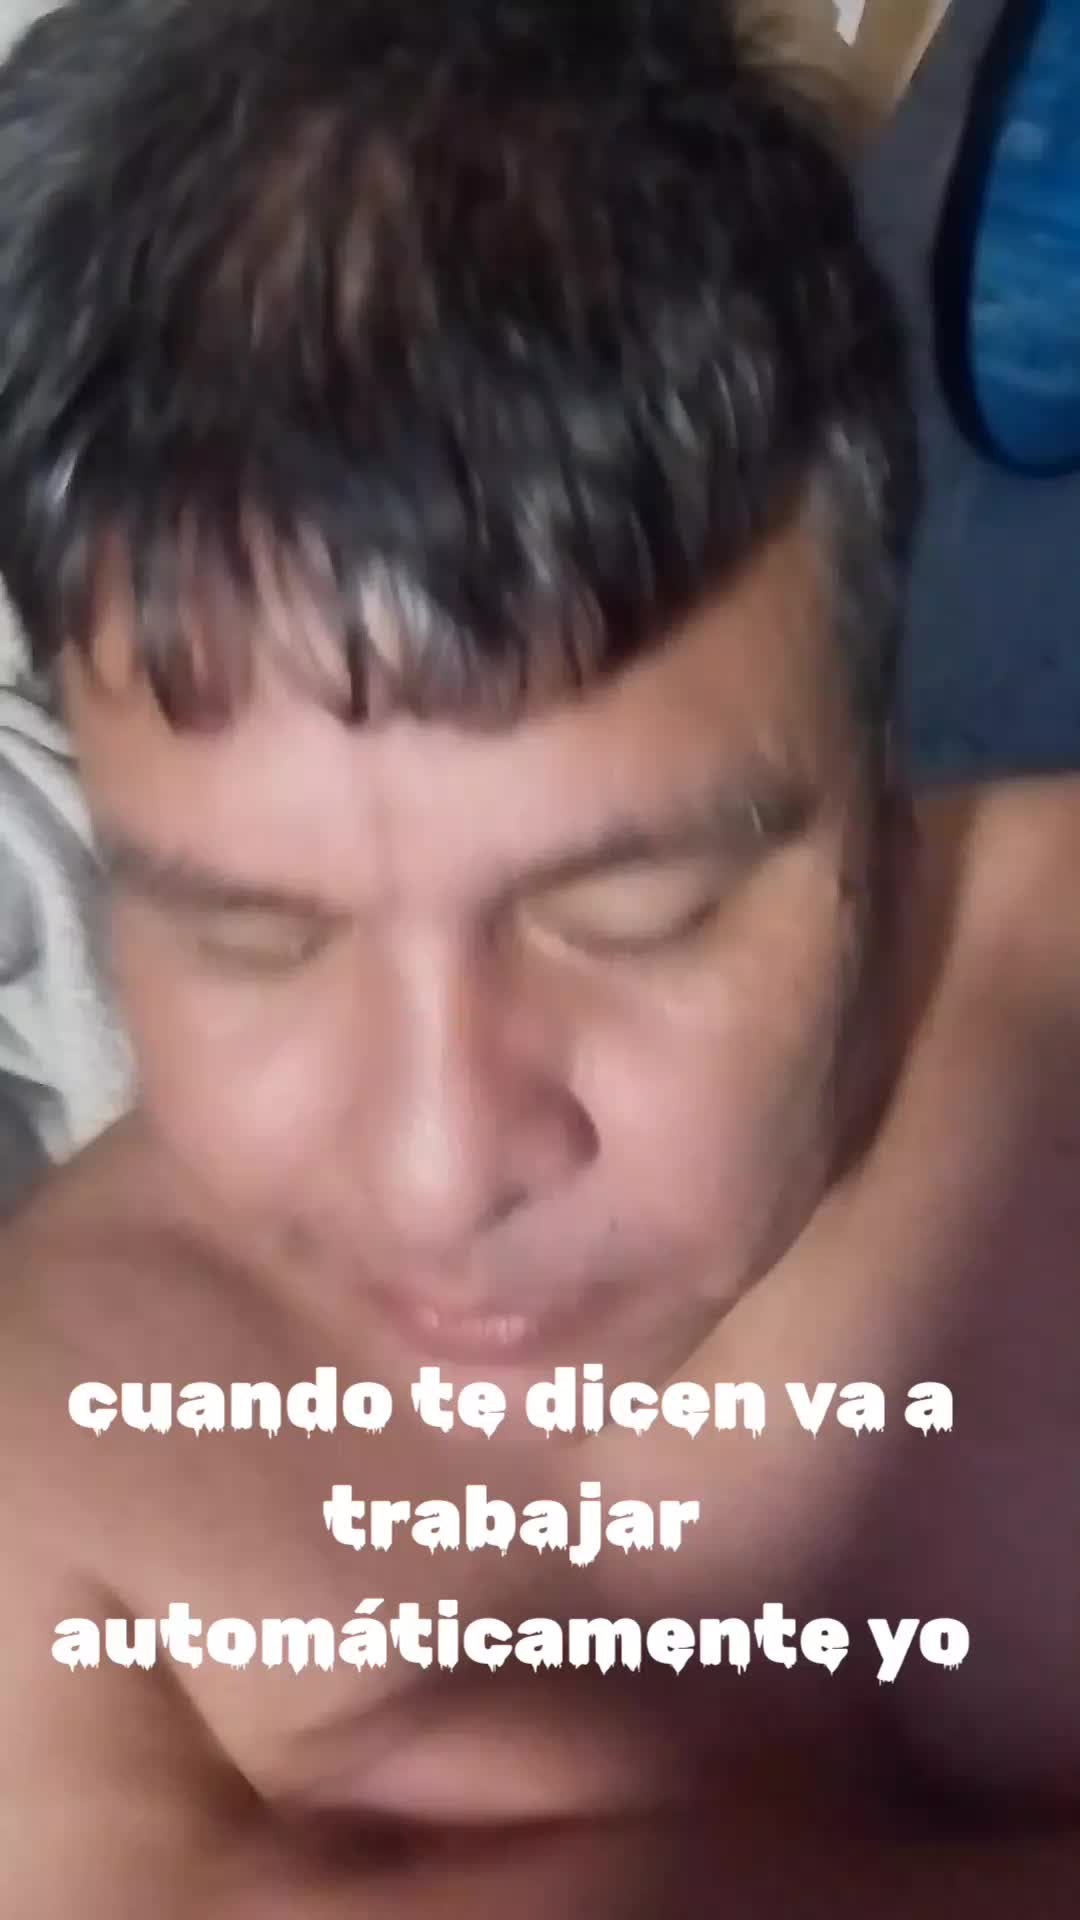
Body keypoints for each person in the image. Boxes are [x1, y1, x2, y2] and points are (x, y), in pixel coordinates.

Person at [0, 1, 1078, 1912]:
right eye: (248, 934)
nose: (440, 1172)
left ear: (870, 747)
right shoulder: (55, 1460)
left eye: (633, 914)